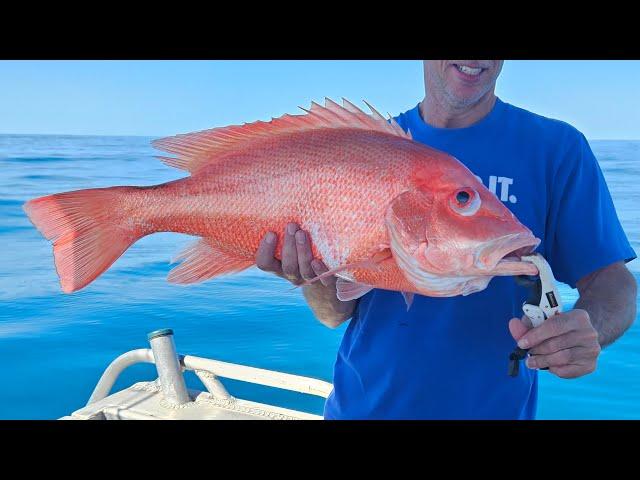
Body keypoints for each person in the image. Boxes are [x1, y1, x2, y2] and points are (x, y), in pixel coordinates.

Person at [255, 60, 638, 420]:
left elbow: (610, 280)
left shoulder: (557, 149)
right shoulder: (362, 147)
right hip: (360, 408)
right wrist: (308, 275)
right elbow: (332, 314)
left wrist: (589, 328)